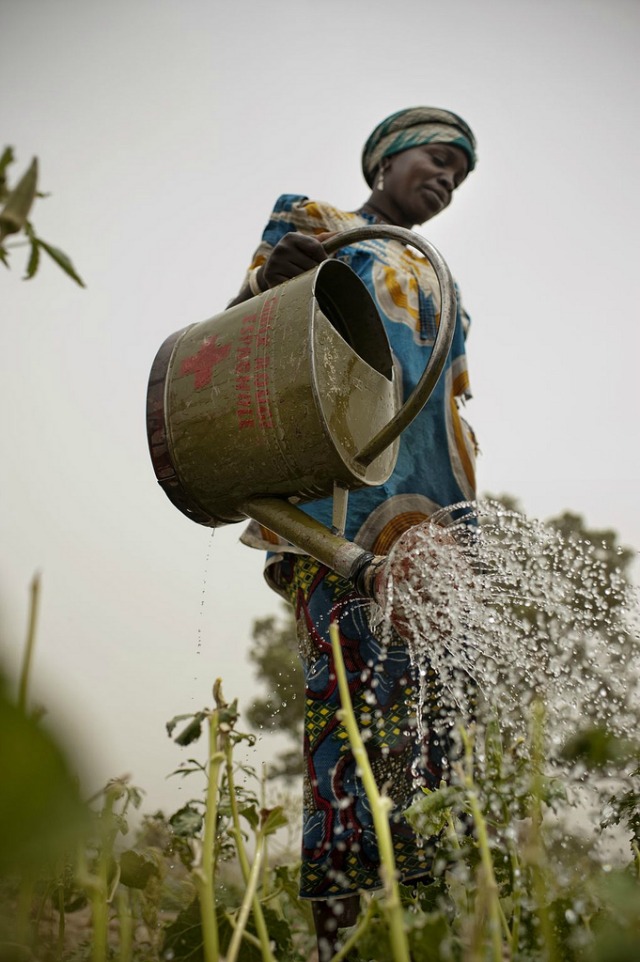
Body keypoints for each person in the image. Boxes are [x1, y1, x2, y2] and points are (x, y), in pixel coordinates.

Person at [231, 106, 478, 961]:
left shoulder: (442, 279)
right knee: (347, 724)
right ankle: (335, 940)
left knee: (438, 736)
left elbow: (446, 408)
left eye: (460, 174)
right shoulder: (319, 226)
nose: (446, 180)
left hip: (438, 522)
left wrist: (464, 533)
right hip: (339, 514)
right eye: (438, 160)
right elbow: (235, 332)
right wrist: (273, 282)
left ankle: (432, 930)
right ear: (388, 160)